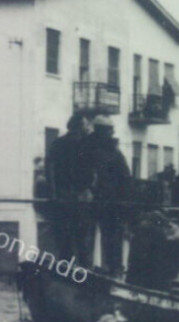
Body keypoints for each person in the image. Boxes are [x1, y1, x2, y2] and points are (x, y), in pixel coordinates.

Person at [45, 113, 96, 264]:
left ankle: (70, 273)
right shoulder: (80, 145)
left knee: (69, 239)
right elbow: (51, 169)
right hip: (72, 196)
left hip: (69, 195)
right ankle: (80, 274)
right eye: (86, 125)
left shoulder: (59, 143)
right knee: (78, 239)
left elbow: (50, 169)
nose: (88, 128)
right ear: (79, 126)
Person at [86, 115, 131, 275]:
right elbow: (125, 175)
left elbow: (125, 175)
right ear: (101, 130)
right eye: (109, 130)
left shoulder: (109, 149)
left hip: (106, 199)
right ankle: (109, 268)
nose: (112, 132)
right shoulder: (104, 149)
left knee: (108, 235)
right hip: (100, 199)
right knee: (107, 236)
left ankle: (109, 268)